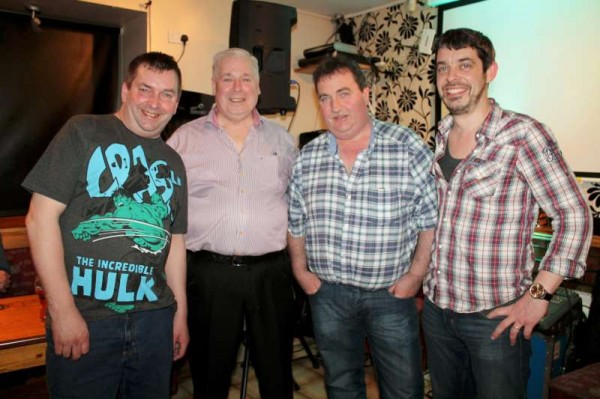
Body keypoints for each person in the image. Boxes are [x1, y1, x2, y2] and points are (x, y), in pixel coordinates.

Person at [422, 28, 593, 399]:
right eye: (442, 68)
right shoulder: (440, 134)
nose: (451, 78)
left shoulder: (524, 135)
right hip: (437, 312)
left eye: (465, 65)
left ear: (490, 71)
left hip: (495, 321)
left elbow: (575, 216)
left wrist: (538, 296)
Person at [22, 52, 189, 399]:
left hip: (154, 319)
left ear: (176, 103)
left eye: (167, 94)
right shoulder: (83, 131)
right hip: (87, 317)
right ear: (126, 90)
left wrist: (180, 313)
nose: (155, 103)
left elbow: (175, 242)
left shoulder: (174, 161)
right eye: (145, 89)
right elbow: (39, 219)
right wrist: (63, 310)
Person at [287, 55, 438, 399]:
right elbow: (295, 223)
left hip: (389, 296)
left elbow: (430, 220)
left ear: (366, 94)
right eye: (325, 98)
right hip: (329, 296)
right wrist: (300, 269)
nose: (335, 107)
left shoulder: (406, 147)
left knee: (402, 388)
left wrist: (416, 276)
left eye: (344, 94)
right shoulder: (308, 158)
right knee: (340, 385)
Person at [167, 48, 297, 399]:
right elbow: (166, 217)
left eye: (245, 79)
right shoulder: (182, 141)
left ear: (258, 87)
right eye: (228, 78)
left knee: (276, 375)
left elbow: (297, 206)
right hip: (209, 275)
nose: (237, 87)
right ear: (214, 85)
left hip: (271, 274)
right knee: (210, 375)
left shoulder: (283, 142)